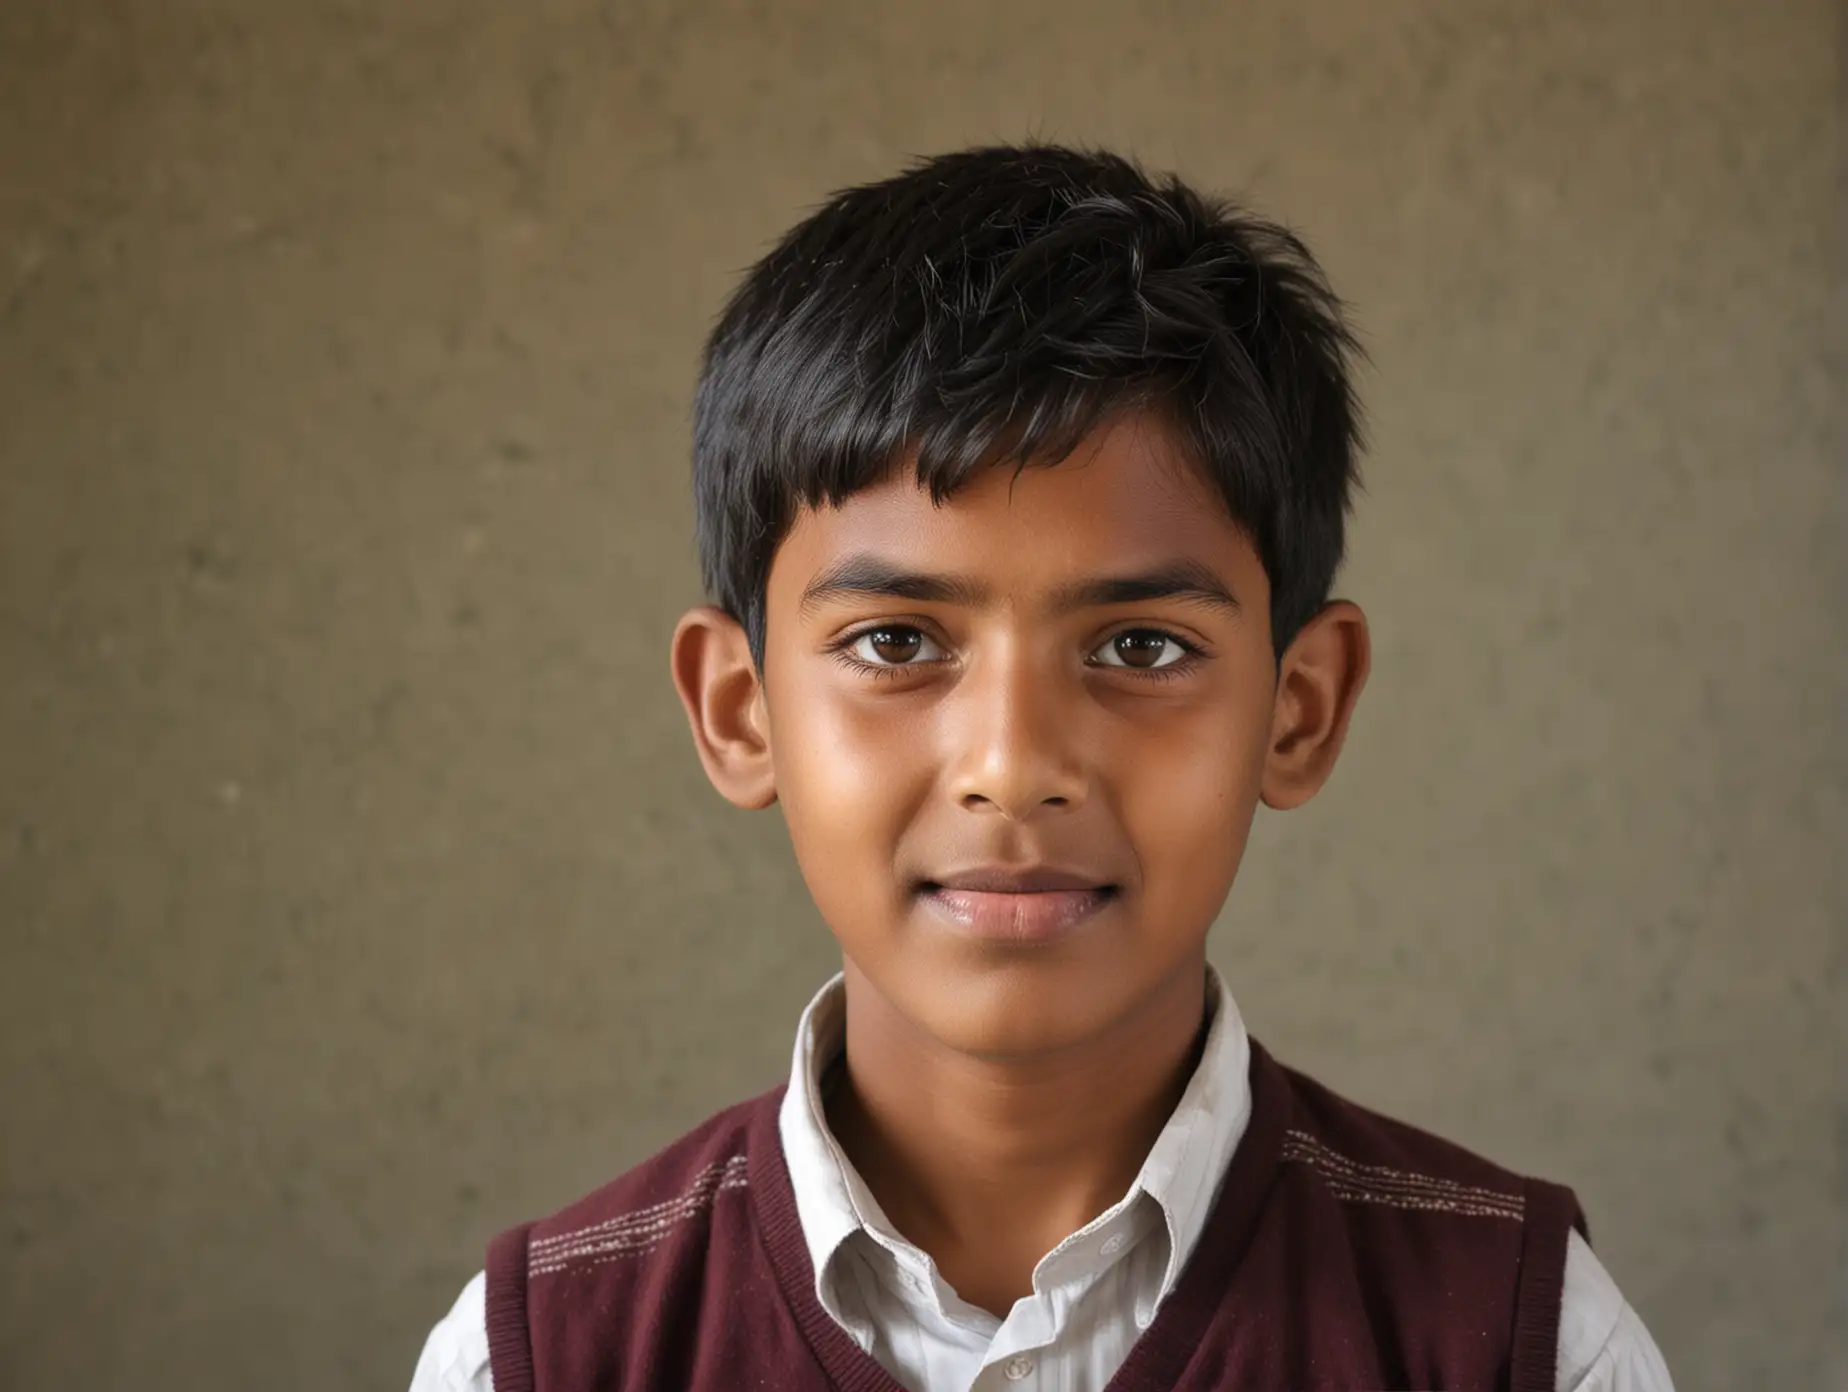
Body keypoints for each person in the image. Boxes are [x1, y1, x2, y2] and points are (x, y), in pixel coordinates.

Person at [408, 144, 1673, 1391]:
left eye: (1140, 646)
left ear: (1299, 709)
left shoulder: (1526, 1344)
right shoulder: (537, 1358)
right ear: (742, 712)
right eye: (895, 642)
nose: (1013, 769)